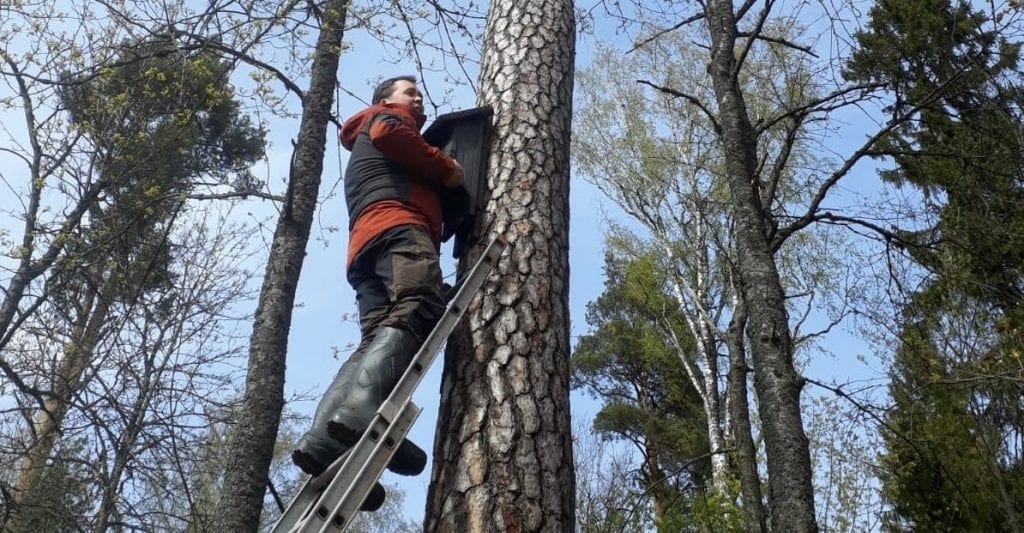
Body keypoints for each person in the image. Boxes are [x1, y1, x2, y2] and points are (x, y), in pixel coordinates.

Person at [291, 75, 464, 508]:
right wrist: (450, 169)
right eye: (410, 91)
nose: (417, 98)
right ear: (386, 98)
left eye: (418, 93)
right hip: (398, 229)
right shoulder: (387, 118)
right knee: (421, 305)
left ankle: (324, 442)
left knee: (372, 339)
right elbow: (391, 134)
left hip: (365, 246)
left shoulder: (372, 131)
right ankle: (364, 410)